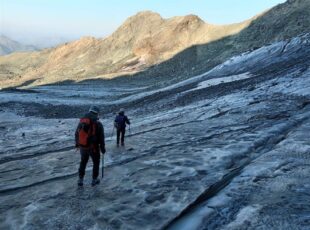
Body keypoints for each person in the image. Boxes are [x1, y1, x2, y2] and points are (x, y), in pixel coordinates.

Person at [75, 105, 105, 186]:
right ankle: (94, 180)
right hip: (93, 147)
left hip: (83, 147)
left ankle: (80, 179)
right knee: (96, 162)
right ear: (97, 113)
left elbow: (76, 133)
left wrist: (78, 144)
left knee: (83, 162)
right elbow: (101, 138)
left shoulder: (81, 122)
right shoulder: (98, 123)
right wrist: (102, 148)